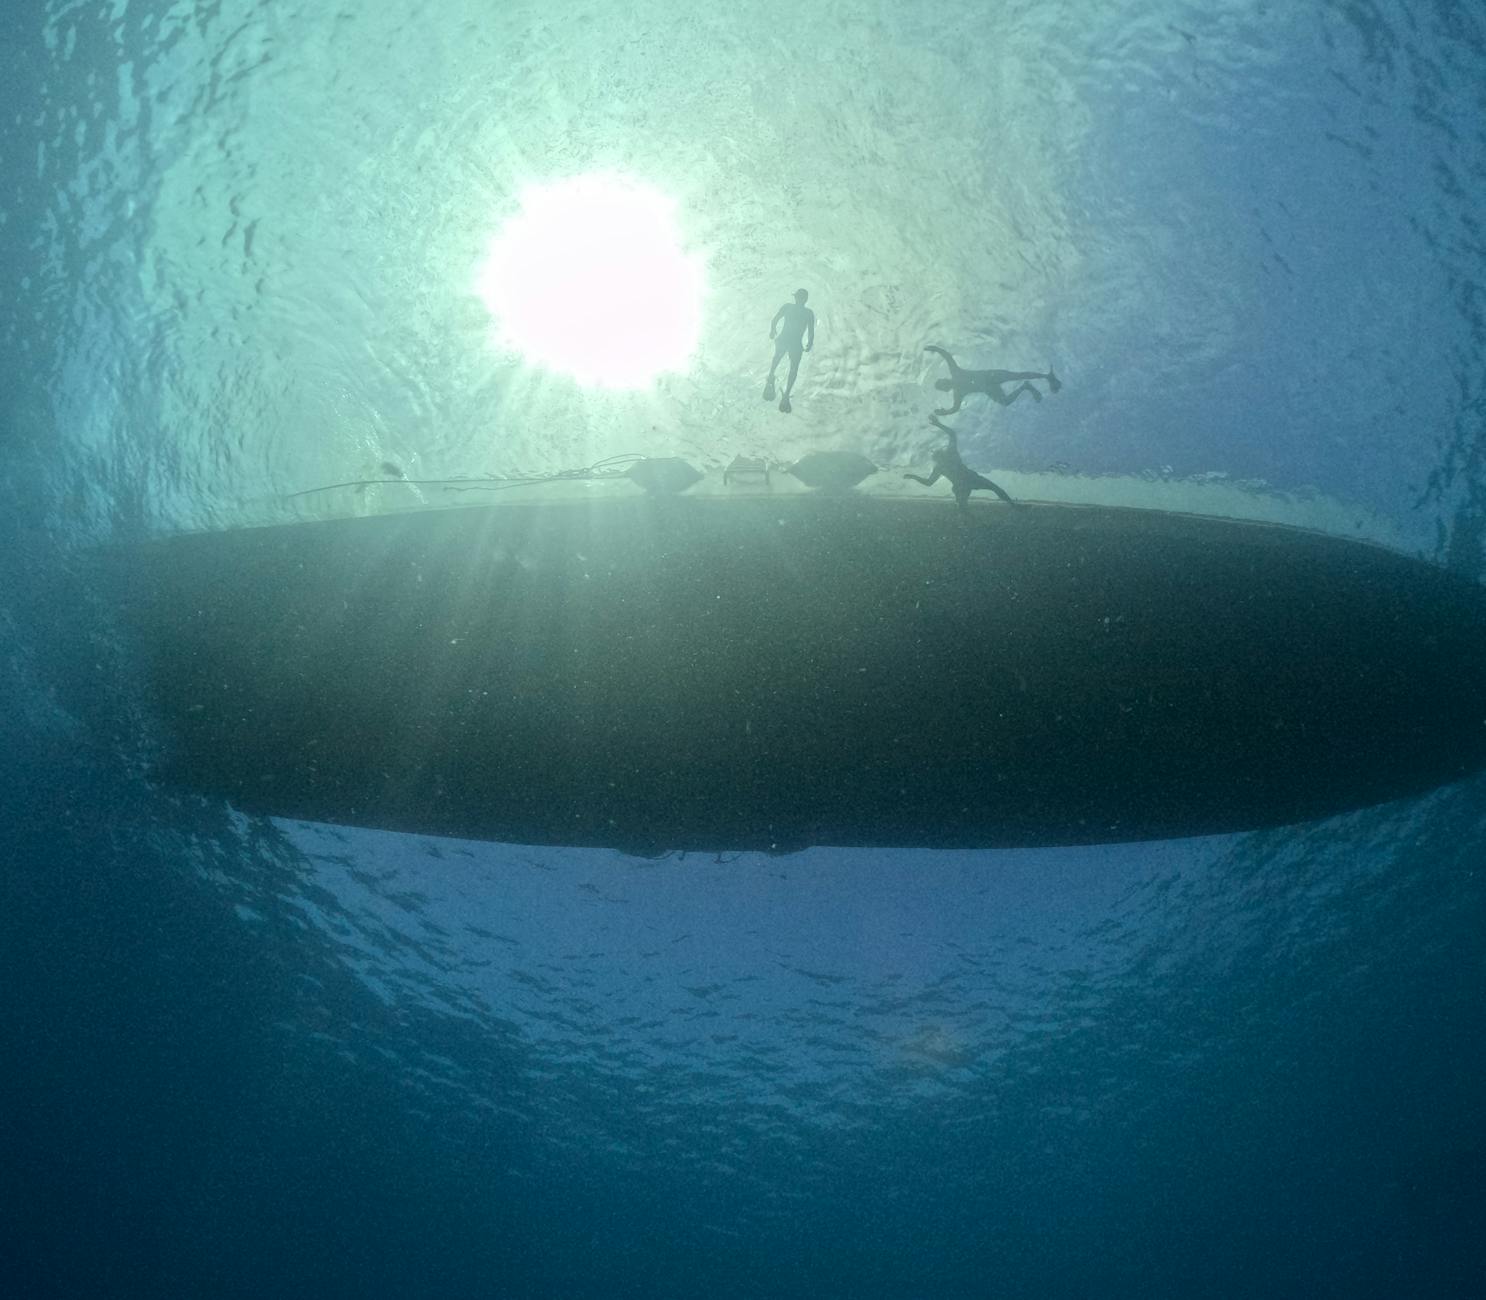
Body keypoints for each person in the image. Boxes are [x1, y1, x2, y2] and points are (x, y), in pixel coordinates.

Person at [905, 415, 1016, 511]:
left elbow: (928, 483)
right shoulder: (947, 458)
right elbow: (952, 434)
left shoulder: (945, 460)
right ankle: (1013, 506)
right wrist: (938, 424)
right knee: (992, 490)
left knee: (991, 491)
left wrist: (913, 476)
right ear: (940, 456)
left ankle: (1013, 506)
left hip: (966, 482)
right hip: (967, 481)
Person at [924, 345, 1060, 416]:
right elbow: (955, 408)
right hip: (989, 388)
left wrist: (935, 349)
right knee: (1005, 401)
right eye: (944, 386)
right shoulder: (958, 392)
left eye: (943, 383)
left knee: (1017, 375)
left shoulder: (956, 373)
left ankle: (1046, 376)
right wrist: (945, 412)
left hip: (991, 376)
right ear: (947, 388)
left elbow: (947, 356)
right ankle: (1026, 386)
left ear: (945, 380)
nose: (946, 384)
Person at [764, 289, 816, 413]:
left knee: (783, 362)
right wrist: (810, 342)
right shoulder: (806, 312)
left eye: (798, 297)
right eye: (797, 297)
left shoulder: (797, 309)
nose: (797, 299)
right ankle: (780, 388)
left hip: (788, 341)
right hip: (791, 342)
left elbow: (775, 319)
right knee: (787, 364)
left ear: (802, 299)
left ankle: (776, 383)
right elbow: (775, 319)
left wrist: (773, 330)